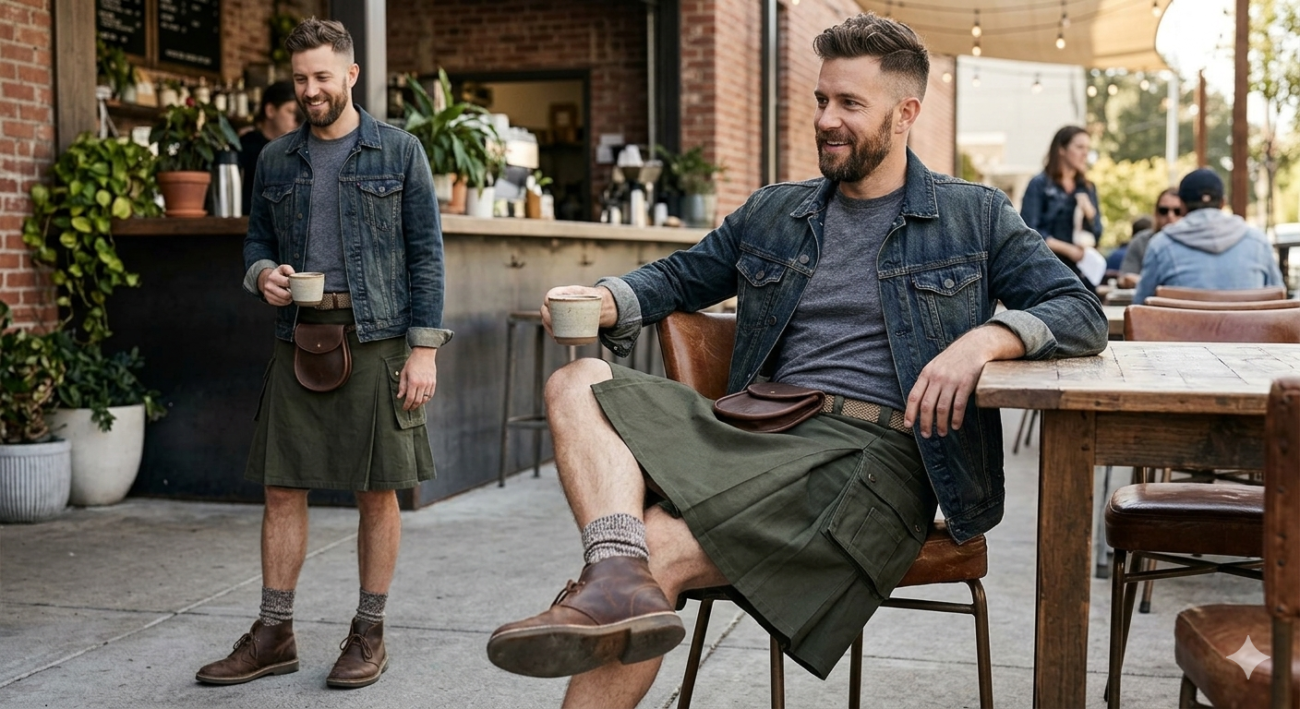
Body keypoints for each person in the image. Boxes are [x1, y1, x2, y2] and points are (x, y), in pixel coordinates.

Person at [485, 13, 1107, 709]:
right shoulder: (775, 213)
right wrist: (602, 297)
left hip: (879, 461)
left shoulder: (975, 216)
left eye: (849, 104)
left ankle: (613, 582)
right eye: (820, 100)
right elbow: (682, 277)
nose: (826, 120)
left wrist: (987, 338)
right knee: (579, 381)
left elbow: (1079, 310)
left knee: (657, 548)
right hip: (759, 431)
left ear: (906, 114)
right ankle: (613, 577)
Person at [196, 17, 450, 689]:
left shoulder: (400, 152)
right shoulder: (276, 159)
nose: (311, 91)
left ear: (351, 76)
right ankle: (274, 632)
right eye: (301, 79)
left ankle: (369, 632)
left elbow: (427, 256)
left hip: (379, 339)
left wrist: (423, 350)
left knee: (376, 492)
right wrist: (264, 276)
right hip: (299, 336)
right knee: (282, 486)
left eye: (322, 78)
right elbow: (255, 242)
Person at [1133, 169, 1283, 304]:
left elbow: (1140, 308)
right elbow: (1278, 299)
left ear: (1182, 205)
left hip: (1182, 334)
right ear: (1223, 202)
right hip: (1249, 334)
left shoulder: (1161, 245)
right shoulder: (1258, 241)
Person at [1020, 125, 1104, 287]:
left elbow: (1098, 233)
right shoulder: (1040, 184)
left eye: (1087, 148)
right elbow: (1028, 232)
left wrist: (1091, 214)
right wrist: (1069, 250)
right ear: (1061, 149)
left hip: (1081, 274)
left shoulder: (1086, 187)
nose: (1085, 153)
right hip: (1047, 272)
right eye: (1079, 147)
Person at [239, 81, 301, 215]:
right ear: (270, 111)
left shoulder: (299, 149)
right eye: (290, 111)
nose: (296, 119)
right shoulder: (246, 146)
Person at [1117, 187, 1183, 288]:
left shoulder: (1196, 242)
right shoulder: (1140, 242)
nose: (1170, 216)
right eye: (1163, 211)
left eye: (1177, 211)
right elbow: (1125, 277)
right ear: (1156, 213)